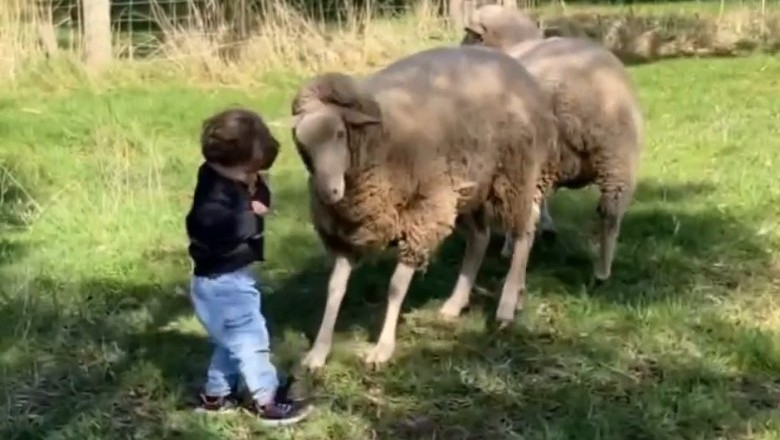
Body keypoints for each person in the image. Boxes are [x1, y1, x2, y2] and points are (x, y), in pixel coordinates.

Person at [185, 108, 311, 426]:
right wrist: (248, 213)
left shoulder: (225, 175)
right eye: (250, 172)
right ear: (227, 163)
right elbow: (206, 226)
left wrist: (257, 193)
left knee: (229, 341)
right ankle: (266, 400)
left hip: (225, 280)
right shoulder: (212, 200)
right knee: (251, 339)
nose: (253, 178)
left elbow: (256, 196)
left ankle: (216, 396)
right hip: (222, 283)